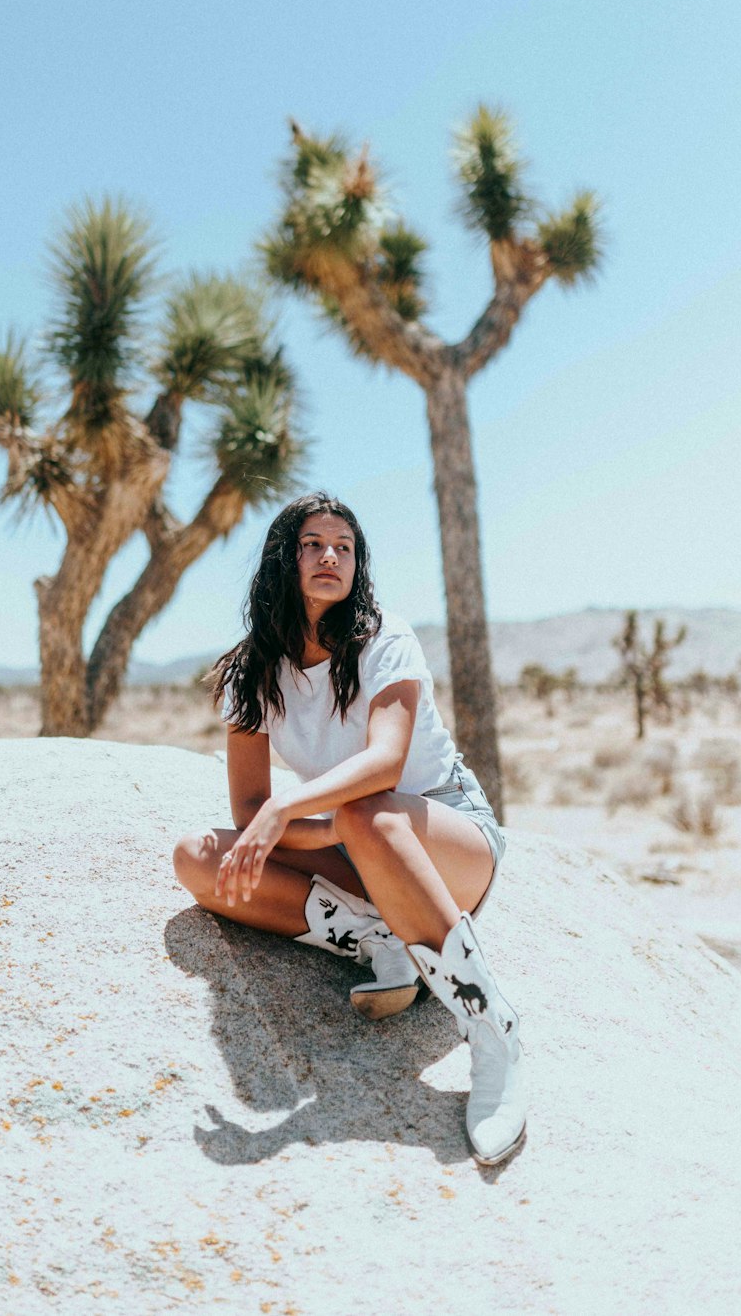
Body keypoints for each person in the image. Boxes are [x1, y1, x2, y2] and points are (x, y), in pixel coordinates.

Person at [172, 490, 526, 1165]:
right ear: (286, 556)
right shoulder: (253, 668)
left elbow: (384, 763)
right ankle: (374, 931)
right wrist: (277, 821)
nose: (330, 555)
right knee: (198, 858)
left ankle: (491, 1026)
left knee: (369, 812)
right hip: (352, 840)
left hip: (449, 839)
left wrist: (286, 811)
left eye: (344, 545)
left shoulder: (383, 638)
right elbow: (250, 809)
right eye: (313, 543)